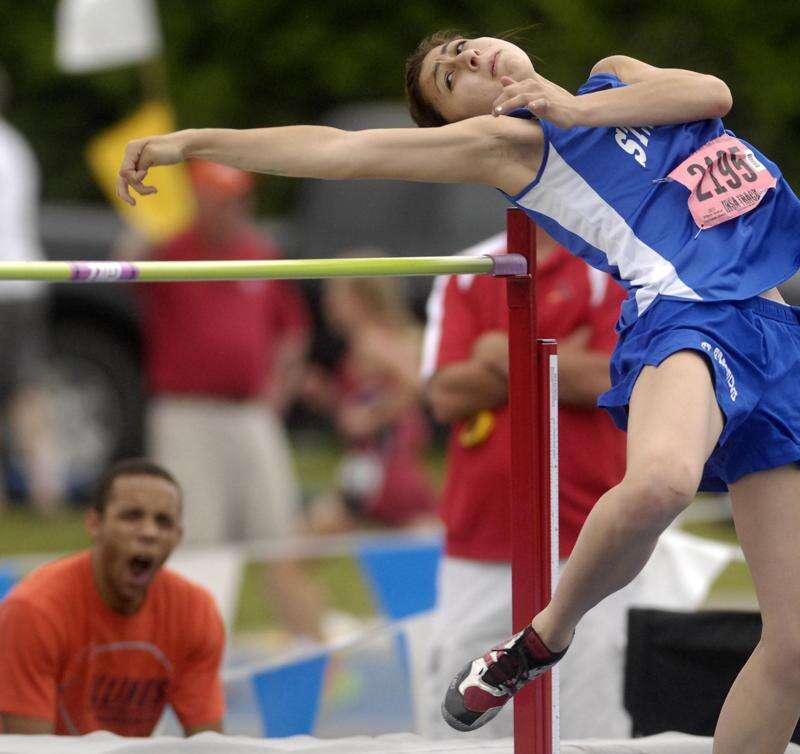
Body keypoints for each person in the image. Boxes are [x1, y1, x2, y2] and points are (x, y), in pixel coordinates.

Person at [115, 37, 800, 754]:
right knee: (662, 483)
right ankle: (541, 639)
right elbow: (340, 151)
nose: (470, 61)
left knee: (790, 647)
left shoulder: (612, 79)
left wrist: (574, 107)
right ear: (461, 121)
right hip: (686, 313)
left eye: (465, 48)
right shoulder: (507, 146)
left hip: (774, 326)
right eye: (450, 78)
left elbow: (711, 93)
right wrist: (193, 142)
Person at [419, 228, 626, 738]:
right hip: (480, 542)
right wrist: (551, 355)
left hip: (585, 541)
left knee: (588, 727)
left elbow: (611, 379)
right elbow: (444, 395)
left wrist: (499, 350)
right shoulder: (468, 269)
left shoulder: (616, 263)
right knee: (458, 724)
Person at [0, 458, 225, 736]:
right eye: (132, 516)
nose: (149, 532)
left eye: (163, 521)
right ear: (94, 523)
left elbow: (209, 742)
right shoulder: (34, 611)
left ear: (178, 537)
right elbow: (29, 749)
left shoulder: (195, 611)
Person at [305, 263, 438, 533]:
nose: (328, 303)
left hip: (385, 468)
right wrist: (329, 397)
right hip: (373, 465)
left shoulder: (373, 340)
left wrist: (372, 416)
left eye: (336, 295)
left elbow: (416, 383)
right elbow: (365, 397)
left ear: (360, 299)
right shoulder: (366, 340)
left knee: (300, 546)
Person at [0, 63, 65, 514]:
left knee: (25, 393)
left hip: (7, 277)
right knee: (27, 391)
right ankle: (47, 488)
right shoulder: (16, 146)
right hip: (25, 281)